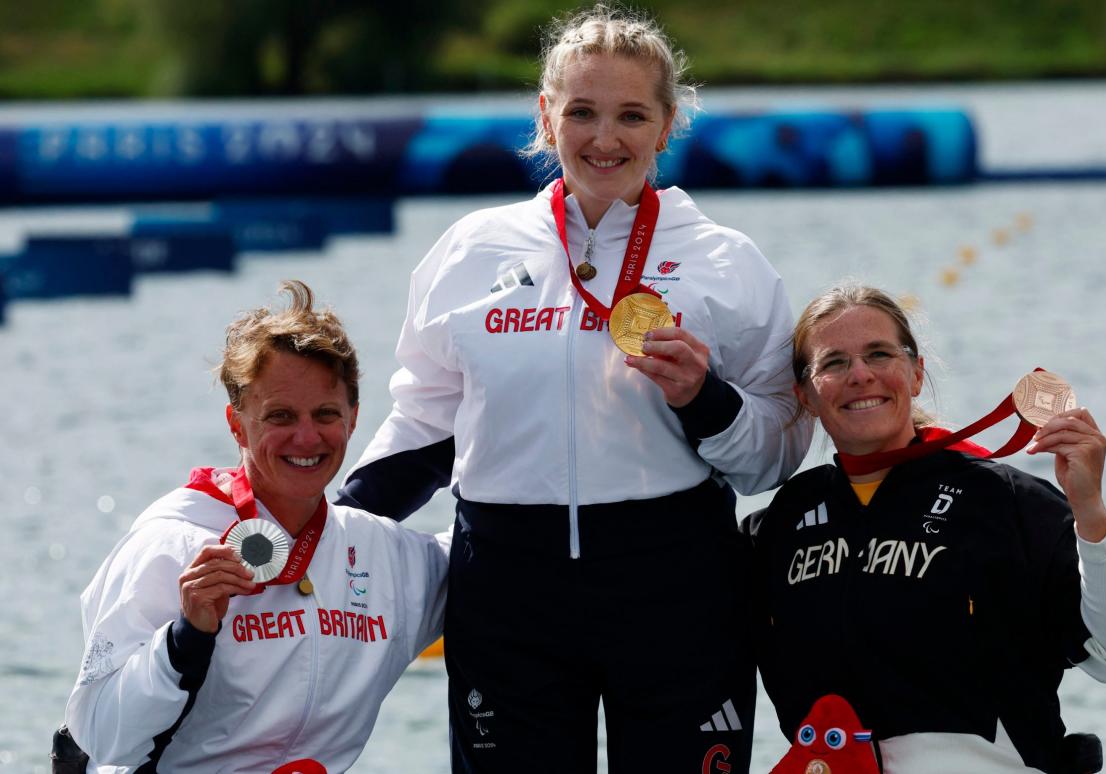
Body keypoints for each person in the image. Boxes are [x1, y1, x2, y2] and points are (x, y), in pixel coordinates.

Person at [336, 5, 812, 772]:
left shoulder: (726, 261)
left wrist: (704, 398)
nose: (603, 138)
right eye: (582, 112)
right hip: (508, 589)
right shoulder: (470, 249)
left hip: (675, 584)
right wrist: (323, 526)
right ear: (545, 115)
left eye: (631, 115)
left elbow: (775, 454)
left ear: (667, 126)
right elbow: (425, 421)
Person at [748, 284, 1106, 773]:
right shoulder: (778, 526)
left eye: (879, 354)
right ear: (806, 394)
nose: (860, 375)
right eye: (834, 363)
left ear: (916, 373)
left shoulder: (1006, 503)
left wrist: (1090, 512)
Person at [62, 280, 448, 772]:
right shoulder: (172, 542)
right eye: (280, 416)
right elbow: (99, 736)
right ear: (237, 424)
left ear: (353, 418)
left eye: (326, 413)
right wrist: (183, 641)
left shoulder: (388, 558)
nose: (306, 437)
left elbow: (507, 556)